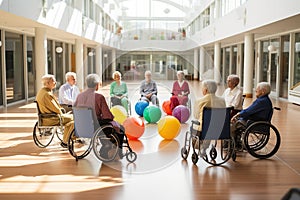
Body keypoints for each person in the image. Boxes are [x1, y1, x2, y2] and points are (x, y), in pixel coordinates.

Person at [74, 74, 124, 149]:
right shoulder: (99, 97)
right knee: (120, 128)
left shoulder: (79, 96)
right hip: (94, 127)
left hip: (81, 126)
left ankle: (106, 146)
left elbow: (75, 109)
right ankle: (116, 152)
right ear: (97, 85)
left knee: (101, 123)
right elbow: (107, 116)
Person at [36, 74, 74, 148]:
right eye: (53, 81)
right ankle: (66, 141)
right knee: (73, 119)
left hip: (47, 116)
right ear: (47, 83)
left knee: (70, 117)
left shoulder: (42, 91)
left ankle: (66, 139)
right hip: (51, 118)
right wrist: (62, 111)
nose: (55, 82)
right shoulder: (47, 94)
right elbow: (56, 109)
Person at [231, 82, 273, 149]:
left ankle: (231, 144)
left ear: (263, 91)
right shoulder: (264, 100)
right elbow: (249, 110)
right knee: (236, 122)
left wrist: (237, 115)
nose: (255, 90)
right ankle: (236, 143)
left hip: (254, 123)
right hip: (256, 121)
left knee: (232, 126)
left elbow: (248, 111)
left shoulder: (261, 101)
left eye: (257, 89)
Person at [193, 80, 226, 155]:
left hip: (204, 129)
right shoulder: (222, 100)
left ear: (206, 90)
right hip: (220, 128)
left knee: (198, 125)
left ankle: (201, 147)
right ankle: (204, 147)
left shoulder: (199, 101)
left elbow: (196, 115)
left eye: (202, 88)